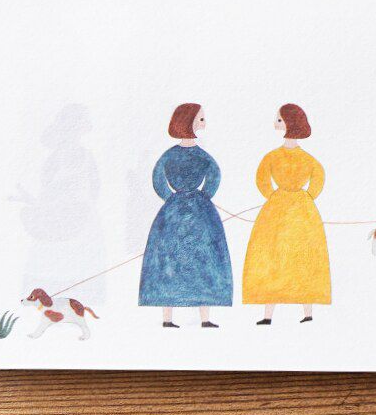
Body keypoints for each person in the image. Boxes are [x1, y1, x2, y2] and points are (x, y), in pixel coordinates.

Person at [138, 103, 232, 327]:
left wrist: (174, 199)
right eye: (201, 119)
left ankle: (193, 319)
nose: (204, 123)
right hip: (194, 209)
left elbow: (160, 180)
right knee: (187, 260)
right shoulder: (198, 156)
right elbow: (213, 177)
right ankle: (177, 319)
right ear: (189, 121)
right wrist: (200, 197)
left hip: (179, 209)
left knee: (188, 261)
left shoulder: (177, 155)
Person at [242, 103, 331, 323]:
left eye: (279, 119)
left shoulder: (279, 157)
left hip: (285, 208)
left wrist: (277, 196)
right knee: (280, 256)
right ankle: (282, 315)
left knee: (293, 257)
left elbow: (263, 180)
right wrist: (304, 197)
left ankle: (303, 314)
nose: (275, 122)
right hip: (295, 208)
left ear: (289, 123)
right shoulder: (293, 157)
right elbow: (263, 179)